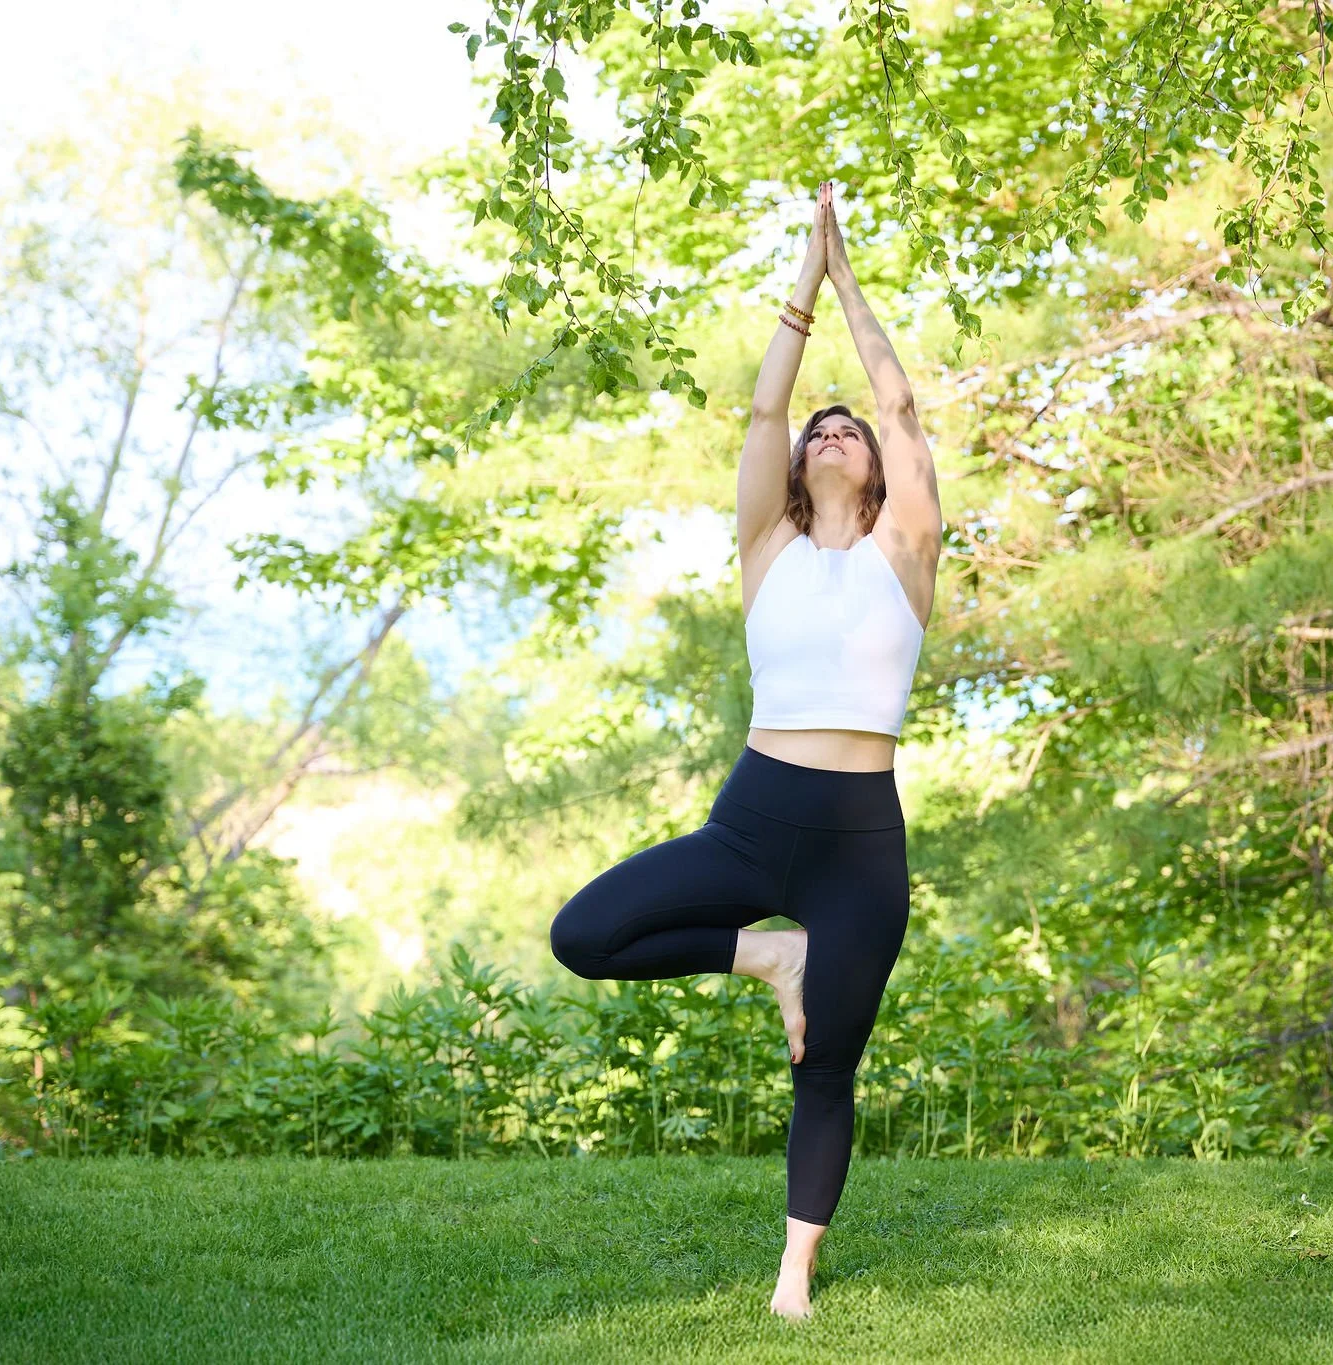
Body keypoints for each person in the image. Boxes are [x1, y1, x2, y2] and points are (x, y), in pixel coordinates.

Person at [548, 181, 943, 1321]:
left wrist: (850, 271)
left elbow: (903, 406)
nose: (832, 429)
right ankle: (766, 958)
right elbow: (762, 415)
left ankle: (792, 1280)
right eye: (819, 429)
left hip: (860, 842)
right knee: (584, 933)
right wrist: (802, 288)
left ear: (873, 474)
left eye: (848, 432)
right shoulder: (764, 547)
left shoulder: (903, 554)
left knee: (826, 1066)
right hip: (756, 815)